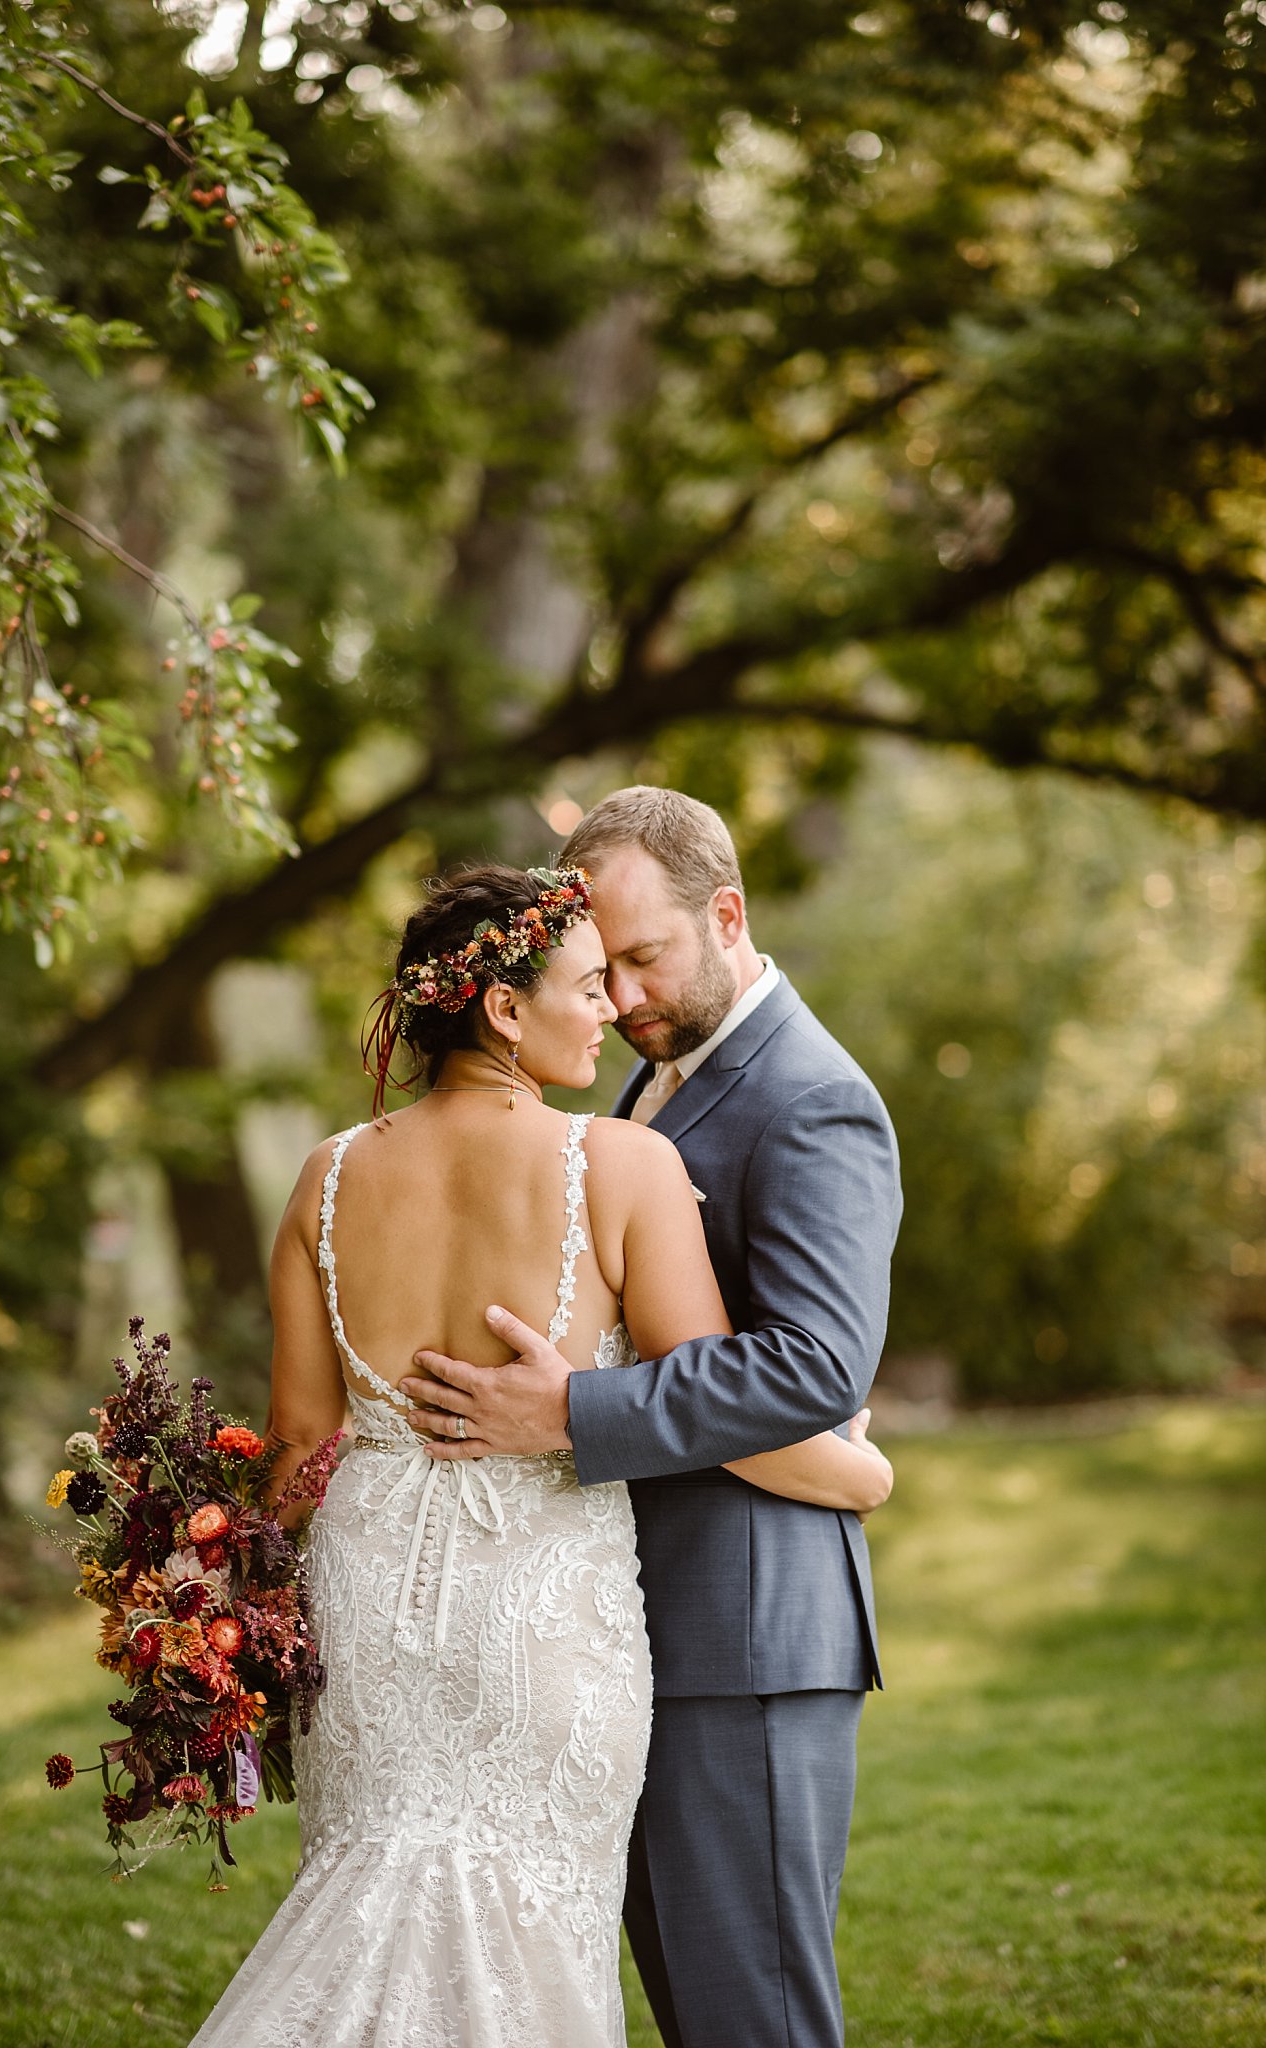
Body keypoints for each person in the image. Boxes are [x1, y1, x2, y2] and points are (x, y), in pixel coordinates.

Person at [188, 859, 892, 2048]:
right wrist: (861, 1471)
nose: (611, 1004)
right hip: (541, 1624)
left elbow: (301, 1452)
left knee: (366, 1901)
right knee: (526, 1940)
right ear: (503, 1008)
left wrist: (208, 1592)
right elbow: (718, 1400)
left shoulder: (327, 1175)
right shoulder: (619, 1164)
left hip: (371, 1621)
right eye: (584, 982)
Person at [404, 791, 903, 2048]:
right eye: (602, 963)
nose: (619, 993)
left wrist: (569, 1411)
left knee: (754, 2017)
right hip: (639, 1626)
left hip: (745, 1638)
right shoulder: (654, 1075)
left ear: (724, 914)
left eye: (644, 956)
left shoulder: (808, 1096)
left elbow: (813, 1364)